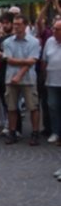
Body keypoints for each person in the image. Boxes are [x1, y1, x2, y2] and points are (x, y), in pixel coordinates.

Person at [2, 14, 41, 145]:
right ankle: (12, 132)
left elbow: (32, 60)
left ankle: (35, 132)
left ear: (25, 25)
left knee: (33, 106)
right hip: (11, 78)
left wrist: (19, 73)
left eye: (19, 24)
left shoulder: (34, 42)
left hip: (28, 79)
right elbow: (9, 59)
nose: (16, 27)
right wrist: (25, 61)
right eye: (15, 24)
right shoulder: (7, 42)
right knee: (11, 107)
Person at [42, 18, 61, 146]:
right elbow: (44, 60)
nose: (54, 31)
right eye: (53, 28)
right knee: (53, 107)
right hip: (52, 81)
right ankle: (55, 132)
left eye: (57, 29)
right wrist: (44, 76)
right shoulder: (49, 41)